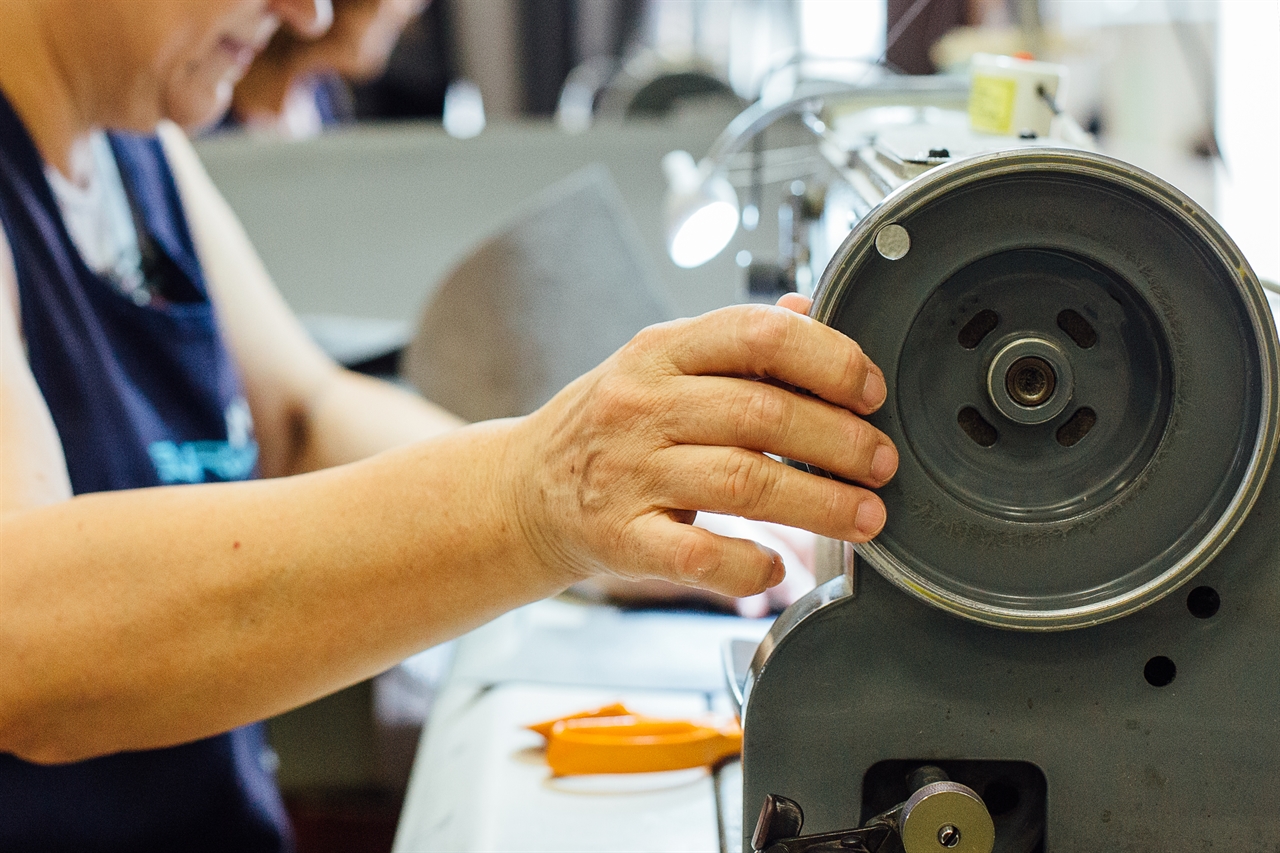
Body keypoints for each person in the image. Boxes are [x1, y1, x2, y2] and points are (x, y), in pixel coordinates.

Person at [0, 1, 898, 849]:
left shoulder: (131, 139)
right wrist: (538, 496)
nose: (311, 18)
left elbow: (304, 416)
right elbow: (24, 641)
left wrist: (621, 527)